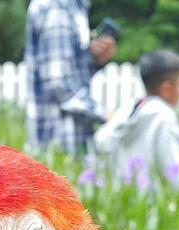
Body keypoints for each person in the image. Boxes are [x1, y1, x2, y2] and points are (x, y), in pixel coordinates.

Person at [25, 0, 115, 155]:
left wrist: (94, 60)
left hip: (67, 141)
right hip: (58, 144)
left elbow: (67, 75)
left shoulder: (74, 6)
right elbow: (59, 84)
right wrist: (104, 115)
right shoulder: (57, 7)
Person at [95, 49, 179, 188]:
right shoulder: (164, 117)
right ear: (167, 88)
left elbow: (101, 140)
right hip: (155, 202)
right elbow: (174, 170)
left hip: (124, 196)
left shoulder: (129, 108)